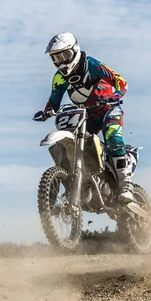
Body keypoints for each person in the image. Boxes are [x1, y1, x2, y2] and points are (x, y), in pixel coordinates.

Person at [33, 32, 134, 203]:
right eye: (56, 58)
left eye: (65, 55)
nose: (61, 62)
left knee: (112, 136)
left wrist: (116, 95)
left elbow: (120, 81)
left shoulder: (91, 65)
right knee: (73, 143)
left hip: (108, 109)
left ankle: (126, 186)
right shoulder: (59, 78)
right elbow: (54, 100)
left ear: (75, 50)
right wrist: (47, 112)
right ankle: (79, 185)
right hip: (86, 115)